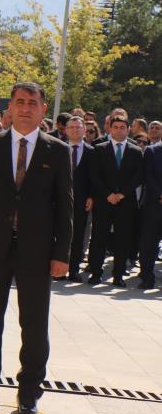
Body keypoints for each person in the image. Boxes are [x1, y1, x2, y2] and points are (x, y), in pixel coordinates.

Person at [0, 82, 72, 414]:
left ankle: (29, 394)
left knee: (35, 323)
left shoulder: (57, 151)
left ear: (43, 109)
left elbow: (64, 207)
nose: (25, 108)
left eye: (33, 103)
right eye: (19, 102)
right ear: (9, 108)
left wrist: (62, 254)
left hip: (37, 252)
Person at [85, 114, 144, 287]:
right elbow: (94, 176)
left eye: (122, 127)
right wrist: (107, 194)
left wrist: (122, 194)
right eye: (115, 127)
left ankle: (118, 275)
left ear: (128, 130)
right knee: (98, 237)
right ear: (110, 129)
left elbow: (138, 176)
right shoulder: (100, 149)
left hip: (126, 202)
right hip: (104, 201)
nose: (119, 130)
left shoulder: (135, 151)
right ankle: (96, 273)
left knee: (123, 238)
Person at [62, 116, 94, 281]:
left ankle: (74, 270)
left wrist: (91, 196)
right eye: (72, 127)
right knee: (60, 235)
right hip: (59, 201)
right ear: (66, 130)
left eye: (78, 127)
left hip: (82, 202)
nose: (75, 130)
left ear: (84, 130)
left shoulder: (92, 152)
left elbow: (94, 177)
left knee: (78, 236)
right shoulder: (58, 149)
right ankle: (59, 270)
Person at [139, 140, 162, 289]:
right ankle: (147, 278)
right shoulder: (152, 151)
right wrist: (160, 194)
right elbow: (147, 175)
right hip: (154, 205)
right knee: (149, 244)